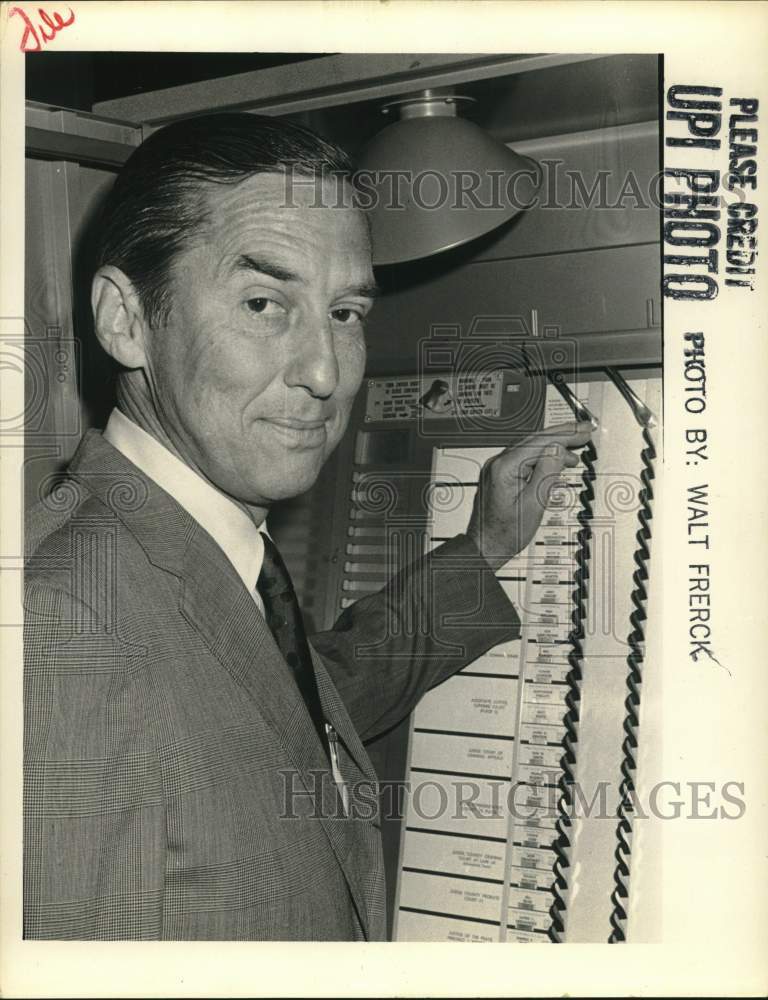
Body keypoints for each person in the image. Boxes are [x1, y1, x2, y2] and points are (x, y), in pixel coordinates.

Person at [23, 113, 592, 941]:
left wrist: (485, 551)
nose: (326, 372)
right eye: (265, 302)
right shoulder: (55, 630)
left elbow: (289, 716)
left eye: (346, 313)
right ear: (126, 319)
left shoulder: (190, 556)